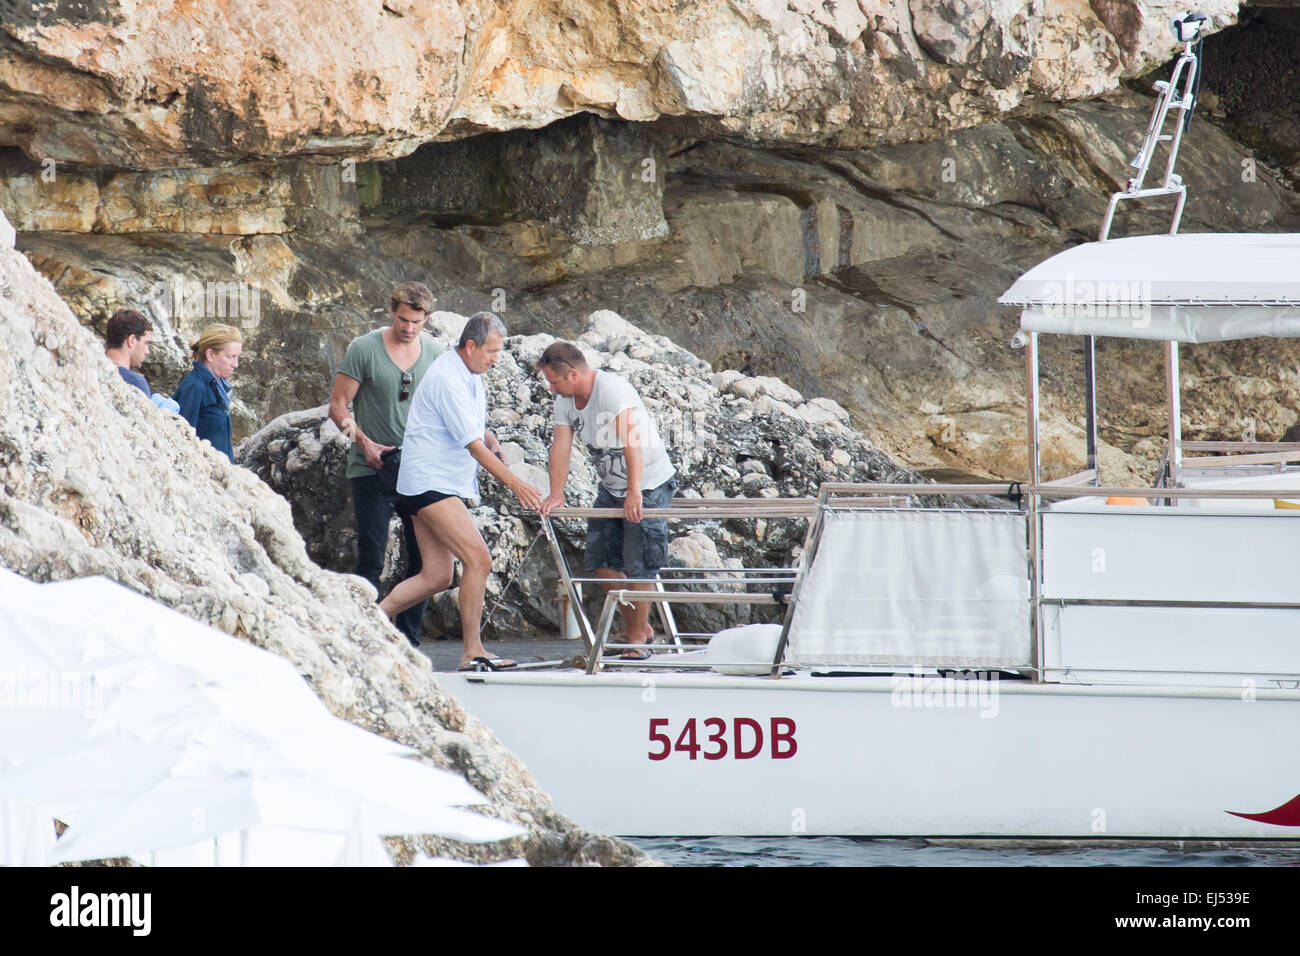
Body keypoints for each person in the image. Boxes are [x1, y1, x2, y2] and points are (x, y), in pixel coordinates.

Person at [378, 312, 542, 671]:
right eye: (492, 351)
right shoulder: (448, 378)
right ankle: (472, 652)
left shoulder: (468, 371)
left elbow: (474, 429)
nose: (496, 359)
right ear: (470, 345)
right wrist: (515, 483)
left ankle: (370, 621)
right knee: (478, 559)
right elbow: (472, 446)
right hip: (429, 483)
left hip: (428, 482)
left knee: (437, 576)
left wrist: (490, 435)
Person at [537, 341, 676, 659]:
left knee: (639, 564)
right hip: (611, 487)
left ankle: (638, 638)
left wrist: (635, 491)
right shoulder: (565, 400)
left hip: (649, 481)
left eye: (554, 381)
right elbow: (560, 447)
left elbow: (632, 440)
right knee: (600, 563)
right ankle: (640, 627)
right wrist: (556, 493)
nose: (551, 387)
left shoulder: (611, 390)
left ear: (572, 374)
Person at [328, 282, 442, 648]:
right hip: (371, 467)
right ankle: (366, 640)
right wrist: (364, 443)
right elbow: (338, 407)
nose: (409, 328)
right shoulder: (364, 348)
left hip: (418, 469)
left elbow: (447, 410)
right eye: (403, 319)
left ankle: (408, 642)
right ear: (391, 312)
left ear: (427, 319)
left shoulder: (437, 354)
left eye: (417, 322)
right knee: (371, 557)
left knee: (424, 561)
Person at [174, 323, 242, 463]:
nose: (236, 364)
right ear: (210, 354)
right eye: (231, 357)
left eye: (237, 357)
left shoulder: (218, 386)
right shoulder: (194, 386)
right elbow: (182, 438)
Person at [104, 309, 154, 396]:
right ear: (132, 340)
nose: (147, 352)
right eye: (146, 343)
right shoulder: (136, 382)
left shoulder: (91, 369)